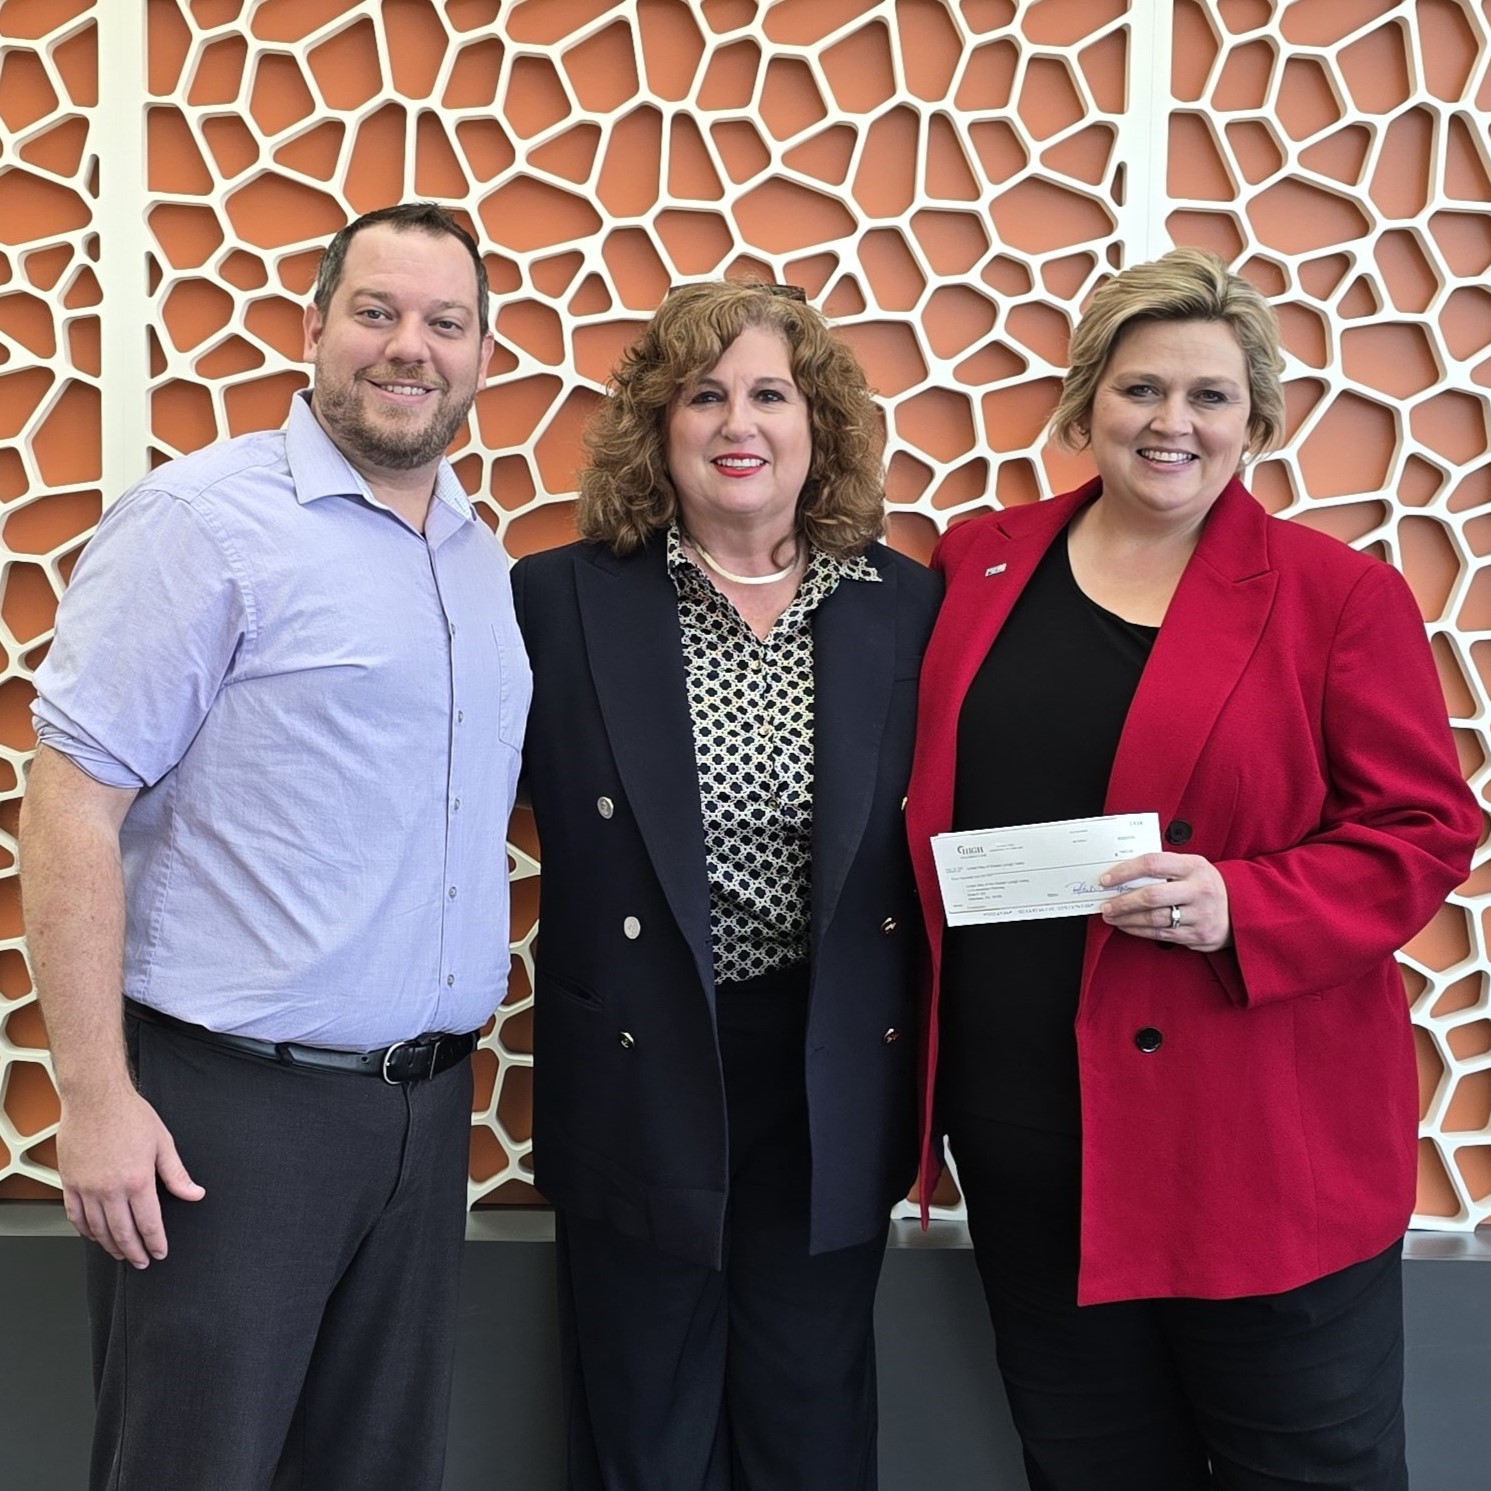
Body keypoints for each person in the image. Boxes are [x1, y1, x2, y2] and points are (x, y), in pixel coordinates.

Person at [904, 247, 1480, 1491]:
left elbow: (1425, 829)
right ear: (1086, 401)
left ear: (1257, 420)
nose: (1172, 423)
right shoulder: (976, 566)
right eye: (1140, 388)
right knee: (1089, 1469)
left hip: (1261, 1154)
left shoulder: (1341, 597)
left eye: (1210, 396)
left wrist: (1243, 901)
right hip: (1033, 1148)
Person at [18, 201, 530, 1491]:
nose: (408, 347)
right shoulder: (202, 524)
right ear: (314, 327)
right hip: (224, 1120)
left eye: (444, 322)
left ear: (480, 355)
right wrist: (93, 1097)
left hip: (422, 1116)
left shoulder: (480, 558)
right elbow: (70, 802)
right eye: (376, 311)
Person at [511, 279, 941, 1490]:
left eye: (770, 394)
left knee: (809, 1410)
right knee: (644, 1416)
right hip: (642, 1062)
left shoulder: (904, 603)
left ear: (821, 429)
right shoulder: (558, 597)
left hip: (829, 1064)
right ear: (659, 425)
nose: (737, 423)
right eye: (705, 395)